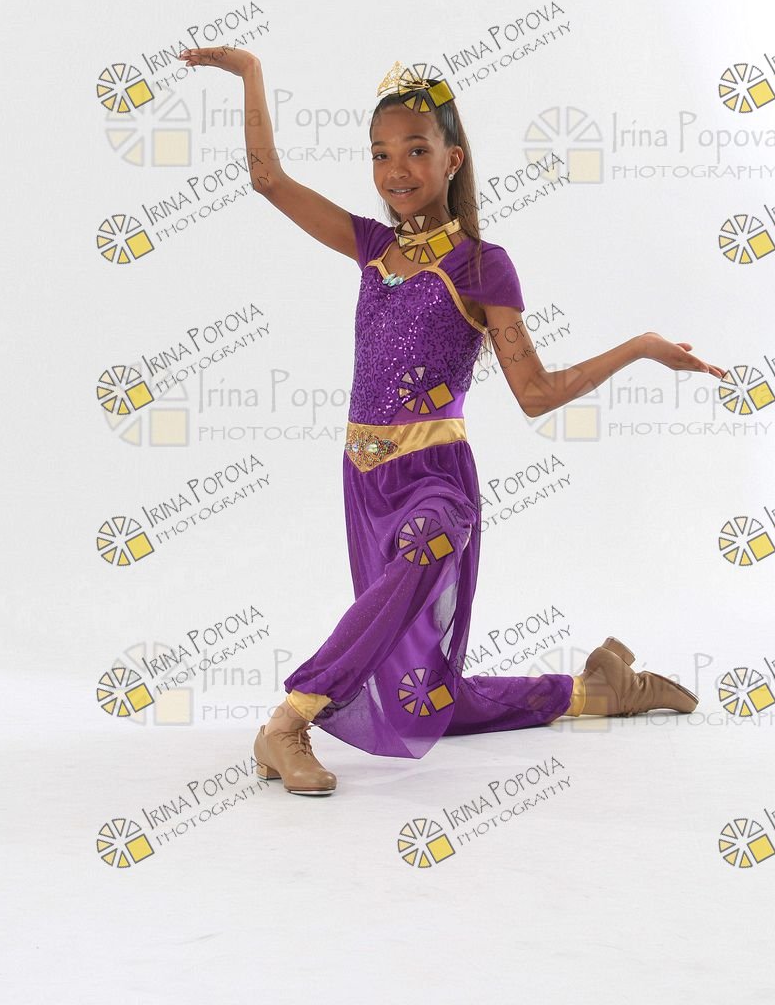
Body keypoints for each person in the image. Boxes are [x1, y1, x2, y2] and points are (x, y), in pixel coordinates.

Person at [178, 48, 727, 797]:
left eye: (415, 150)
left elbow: (535, 392)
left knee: (431, 542)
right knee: (421, 700)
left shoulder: (482, 266)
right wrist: (249, 71)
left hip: (435, 480)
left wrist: (638, 347)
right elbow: (268, 179)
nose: (395, 170)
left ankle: (287, 721)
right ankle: (595, 690)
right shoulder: (373, 248)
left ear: (452, 158)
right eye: (380, 154)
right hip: (365, 482)